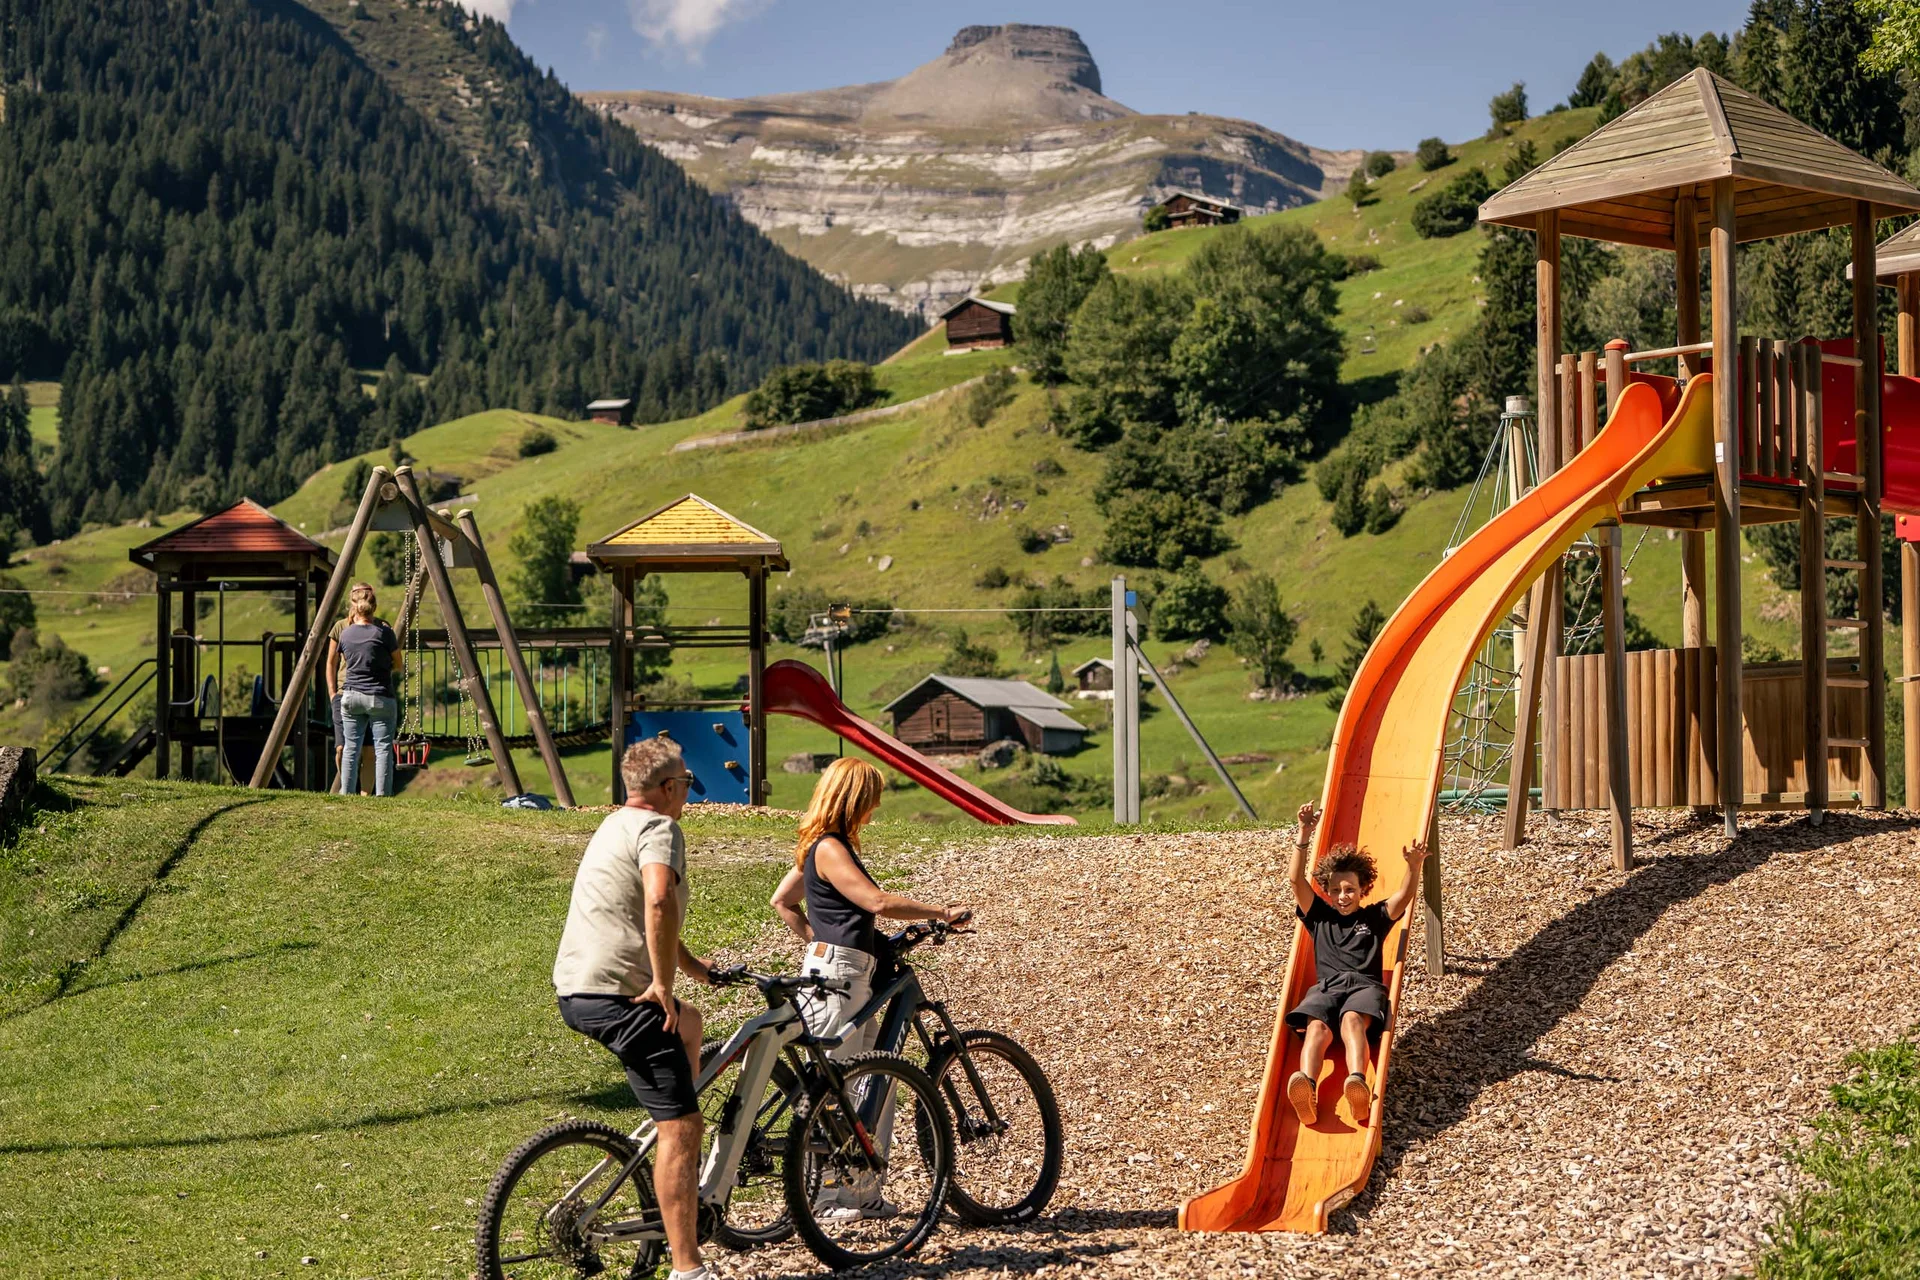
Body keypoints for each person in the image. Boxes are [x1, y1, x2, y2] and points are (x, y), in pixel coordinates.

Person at [769, 757, 966, 1222]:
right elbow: (875, 901)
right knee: (833, 1088)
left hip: (850, 974)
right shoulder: (830, 848)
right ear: (855, 797)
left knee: (878, 1079)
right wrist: (940, 911)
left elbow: (784, 901)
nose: (877, 804)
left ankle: (862, 1191)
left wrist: (818, 938)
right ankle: (827, 1195)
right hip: (838, 979)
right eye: (873, 795)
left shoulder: (819, 847)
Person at [553, 739, 715, 1280]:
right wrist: (664, 984)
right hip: (619, 998)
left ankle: (667, 1135)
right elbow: (657, 900)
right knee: (683, 1128)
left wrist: (693, 971)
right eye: (688, 784)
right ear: (668, 789)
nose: (688, 794)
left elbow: (646, 919)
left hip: (577, 990)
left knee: (689, 1024)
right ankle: (688, 1269)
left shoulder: (613, 823)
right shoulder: (659, 829)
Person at [1282, 802, 1426, 1127]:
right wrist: (1304, 833)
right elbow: (1295, 882)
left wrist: (1414, 867)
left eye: (1350, 890)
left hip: (1364, 988)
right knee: (1316, 1027)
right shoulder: (1320, 916)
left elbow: (1402, 898)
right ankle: (1307, 1085)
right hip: (1327, 989)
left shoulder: (1372, 918)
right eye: (1336, 891)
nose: (1343, 896)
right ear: (1328, 893)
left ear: (1363, 890)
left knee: (1350, 1021)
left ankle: (1357, 1082)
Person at [326, 583, 401, 796]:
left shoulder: (346, 634)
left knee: (353, 747)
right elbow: (398, 663)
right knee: (381, 747)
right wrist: (333, 692)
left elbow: (335, 658)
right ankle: (381, 795)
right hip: (372, 693)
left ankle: (351, 793)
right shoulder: (382, 631)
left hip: (351, 692)